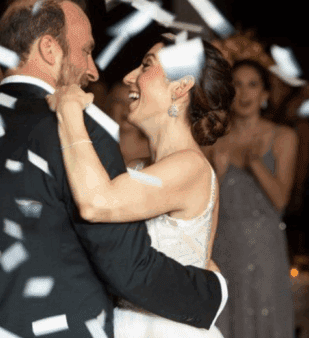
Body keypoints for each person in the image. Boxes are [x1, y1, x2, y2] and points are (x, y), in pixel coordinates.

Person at [0, 0, 227, 338]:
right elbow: (125, 264)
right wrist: (213, 292)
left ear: (181, 87)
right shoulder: (84, 137)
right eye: (87, 51)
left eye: (146, 65)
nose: (96, 71)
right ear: (49, 49)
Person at [46, 39, 234, 337]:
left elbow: (97, 202)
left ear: (181, 86)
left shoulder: (191, 167)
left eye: (146, 65)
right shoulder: (137, 168)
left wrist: (69, 110)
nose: (128, 77)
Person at [204, 59, 297, 338]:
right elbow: (201, 204)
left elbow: (281, 200)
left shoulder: (282, 136)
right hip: (222, 246)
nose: (244, 93)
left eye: (253, 85)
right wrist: (218, 173)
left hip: (264, 248)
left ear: (265, 94)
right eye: (237, 85)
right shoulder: (213, 139)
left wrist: (254, 162)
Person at [104, 82, 150, 166]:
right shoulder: (97, 146)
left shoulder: (155, 150)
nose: (126, 107)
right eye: (119, 101)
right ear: (110, 105)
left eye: (133, 101)